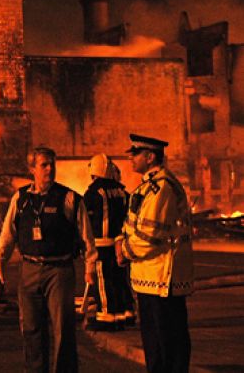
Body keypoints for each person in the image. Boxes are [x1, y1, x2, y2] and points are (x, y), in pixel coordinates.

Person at [0, 147, 96, 373]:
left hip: (59, 270)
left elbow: (86, 236)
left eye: (52, 164)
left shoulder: (68, 198)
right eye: (44, 165)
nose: (50, 169)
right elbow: (8, 234)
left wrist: (90, 266)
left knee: (63, 328)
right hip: (29, 268)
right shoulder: (20, 199)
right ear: (32, 169)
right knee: (31, 328)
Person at [116, 134, 194, 373]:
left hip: (162, 279)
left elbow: (150, 236)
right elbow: (131, 225)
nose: (131, 158)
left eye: (136, 154)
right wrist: (121, 239)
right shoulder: (149, 187)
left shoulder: (161, 189)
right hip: (150, 278)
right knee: (156, 344)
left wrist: (124, 251)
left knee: (165, 344)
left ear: (150, 157)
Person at [83, 154, 135, 330]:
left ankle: (106, 316)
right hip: (120, 243)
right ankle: (126, 313)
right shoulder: (122, 192)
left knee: (103, 281)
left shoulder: (93, 193)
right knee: (120, 280)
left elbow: (84, 218)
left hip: (101, 244)